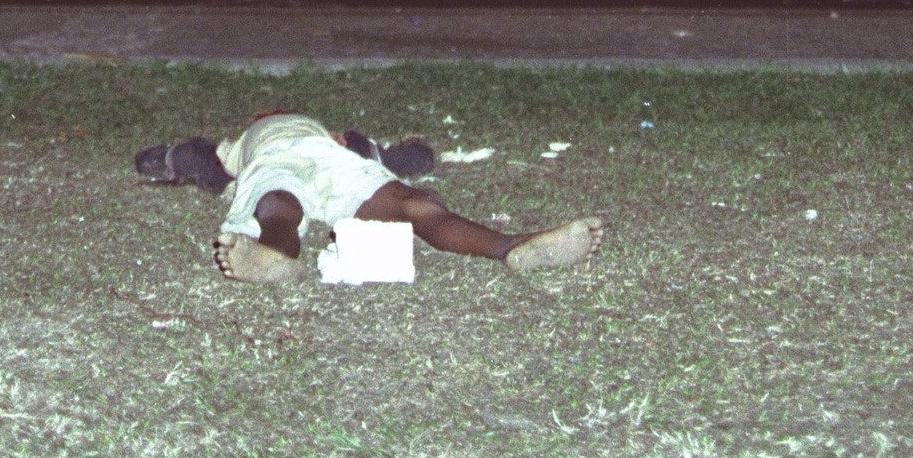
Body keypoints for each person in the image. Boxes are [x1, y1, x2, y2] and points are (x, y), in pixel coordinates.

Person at [140, 110, 604, 284]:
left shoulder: (340, 140)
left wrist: (412, 150)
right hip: (273, 161)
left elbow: (402, 160)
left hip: (337, 165)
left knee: (416, 204)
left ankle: (512, 246)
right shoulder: (242, 141)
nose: (273, 109)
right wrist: (169, 158)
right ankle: (272, 259)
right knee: (278, 207)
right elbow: (196, 161)